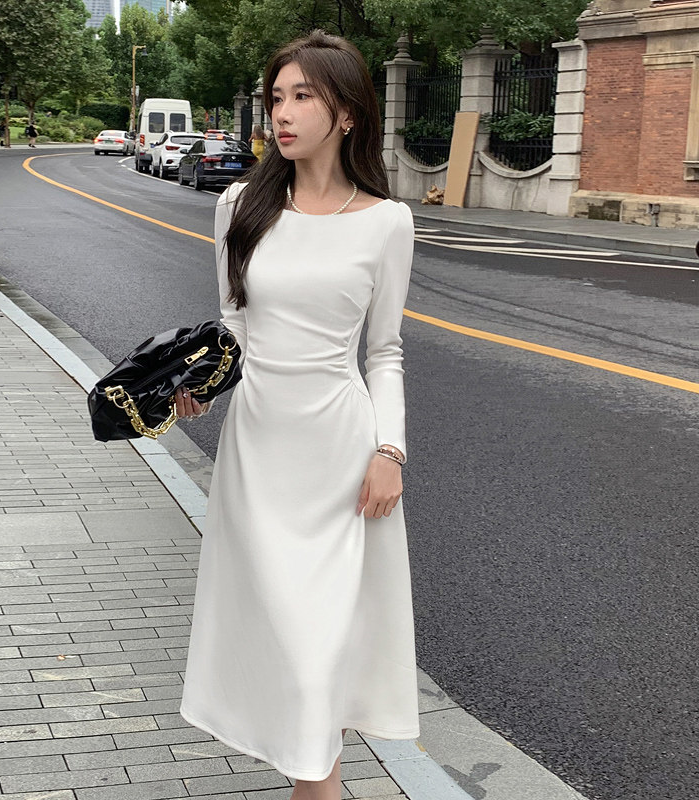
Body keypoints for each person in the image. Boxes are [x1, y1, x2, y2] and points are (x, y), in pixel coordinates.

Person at [176, 29, 419, 800]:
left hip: (341, 464)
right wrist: (200, 385)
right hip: (259, 459)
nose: (281, 113)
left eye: (302, 96)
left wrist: (390, 450)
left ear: (347, 113)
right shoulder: (238, 207)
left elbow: (384, 352)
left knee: (317, 672)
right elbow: (235, 330)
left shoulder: (386, 221)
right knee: (293, 665)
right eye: (276, 97)